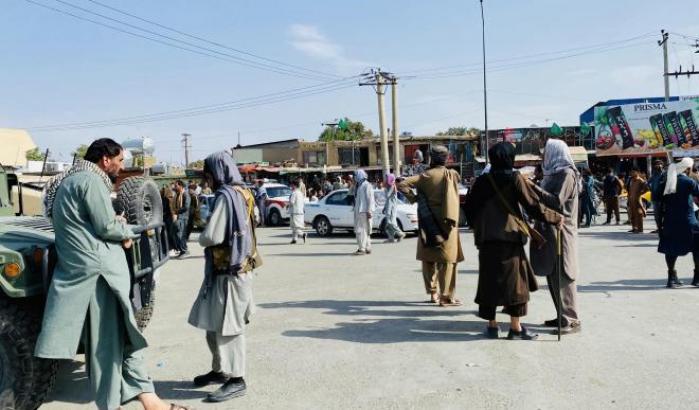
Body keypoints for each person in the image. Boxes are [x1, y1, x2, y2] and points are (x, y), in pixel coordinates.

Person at [36, 138, 185, 410]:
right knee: (106, 347)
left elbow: (90, 224)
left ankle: (151, 401)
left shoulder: (73, 180)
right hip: (96, 278)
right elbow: (106, 227)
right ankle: (110, 404)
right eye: (119, 160)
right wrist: (125, 232)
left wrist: (116, 227)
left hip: (97, 274)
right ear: (106, 159)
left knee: (128, 337)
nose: (121, 166)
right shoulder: (90, 181)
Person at [464, 143, 563, 340]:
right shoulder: (515, 178)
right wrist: (556, 217)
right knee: (516, 283)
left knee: (488, 280)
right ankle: (515, 328)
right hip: (509, 238)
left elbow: (470, 208)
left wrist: (481, 225)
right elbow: (533, 205)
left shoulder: (482, 181)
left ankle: (492, 326)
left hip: (486, 238)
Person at [189, 151, 261, 402]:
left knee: (229, 327)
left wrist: (201, 232)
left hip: (230, 272)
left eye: (207, 175)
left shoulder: (225, 196)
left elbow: (212, 236)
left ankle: (236, 378)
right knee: (213, 322)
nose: (206, 180)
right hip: (231, 270)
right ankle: (220, 370)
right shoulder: (244, 192)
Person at [397, 145, 464, 306]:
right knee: (448, 261)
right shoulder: (453, 174)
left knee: (428, 259)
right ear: (446, 158)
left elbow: (402, 184)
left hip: (428, 222)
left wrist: (415, 198)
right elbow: (458, 181)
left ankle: (433, 294)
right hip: (448, 224)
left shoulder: (425, 176)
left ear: (431, 158)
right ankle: (446, 296)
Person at [531, 139, 582, 335]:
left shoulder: (567, 174)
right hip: (550, 232)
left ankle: (571, 319)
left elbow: (557, 202)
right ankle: (561, 315)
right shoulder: (553, 173)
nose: (543, 156)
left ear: (555, 152)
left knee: (563, 275)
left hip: (562, 232)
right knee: (553, 274)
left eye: (546, 153)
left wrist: (534, 188)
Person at [657, 157, 699, 288]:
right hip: (689, 221)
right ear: (687, 168)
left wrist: (659, 224)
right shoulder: (689, 182)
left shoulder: (665, 182)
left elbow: (657, 202)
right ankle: (697, 278)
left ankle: (671, 278)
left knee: (671, 249)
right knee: (697, 249)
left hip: (670, 222)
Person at [351, 169, 375, 255]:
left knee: (361, 230)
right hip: (358, 210)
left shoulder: (367, 185)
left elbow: (370, 199)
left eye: (355, 175)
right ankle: (367, 247)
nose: (354, 178)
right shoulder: (358, 185)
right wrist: (353, 185)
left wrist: (369, 210)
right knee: (364, 230)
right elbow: (350, 194)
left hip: (364, 211)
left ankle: (362, 249)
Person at [382, 173, 405, 243]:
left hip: (391, 208)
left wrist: (385, 186)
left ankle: (400, 233)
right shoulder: (388, 187)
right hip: (388, 208)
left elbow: (388, 196)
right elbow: (387, 199)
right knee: (389, 223)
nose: (385, 180)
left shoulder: (392, 186)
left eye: (386, 178)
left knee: (390, 222)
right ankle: (391, 238)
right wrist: (384, 208)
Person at [627, 168, 649, 233]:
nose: (632, 173)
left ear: (638, 172)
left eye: (634, 172)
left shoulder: (641, 181)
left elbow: (647, 188)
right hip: (631, 199)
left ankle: (640, 229)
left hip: (638, 199)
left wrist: (641, 193)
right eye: (631, 172)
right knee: (632, 214)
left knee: (639, 214)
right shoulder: (631, 180)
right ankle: (634, 227)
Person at [174, 180, 191, 256]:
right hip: (178, 217)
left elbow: (186, 207)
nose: (175, 187)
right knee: (177, 234)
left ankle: (184, 250)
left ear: (181, 186)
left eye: (176, 185)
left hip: (183, 217)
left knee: (181, 235)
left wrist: (177, 211)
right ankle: (181, 250)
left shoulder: (185, 194)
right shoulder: (178, 194)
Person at [648, 160, 665, 234]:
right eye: (656, 164)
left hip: (663, 198)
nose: (657, 166)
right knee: (657, 215)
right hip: (655, 197)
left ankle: (664, 228)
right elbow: (648, 183)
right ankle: (659, 228)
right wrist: (650, 188)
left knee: (664, 214)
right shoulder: (654, 174)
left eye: (659, 164)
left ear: (662, 165)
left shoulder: (665, 174)